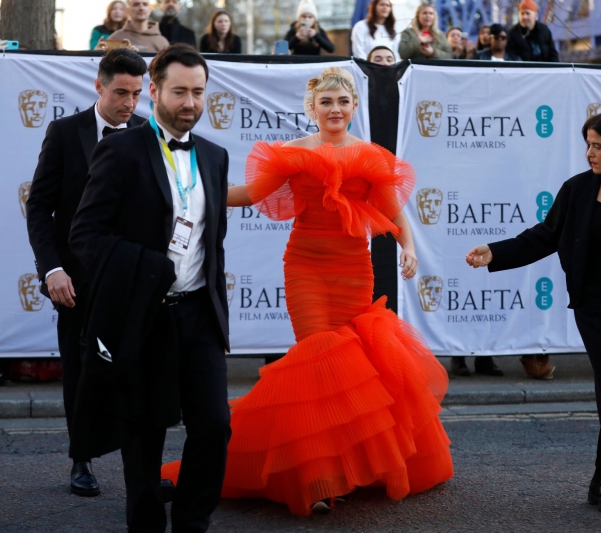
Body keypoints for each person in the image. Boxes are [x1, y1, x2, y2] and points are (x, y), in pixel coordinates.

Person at [161, 66, 453, 516]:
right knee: (318, 364)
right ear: (312, 108)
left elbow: (395, 213)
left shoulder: (372, 156)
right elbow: (250, 194)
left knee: (350, 373)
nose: (335, 109)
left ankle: (349, 467)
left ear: (354, 107)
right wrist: (189, 189)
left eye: (343, 102)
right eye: (326, 102)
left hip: (354, 271)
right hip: (306, 270)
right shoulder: (292, 153)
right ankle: (318, 480)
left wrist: (409, 248)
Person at [466, 110, 601, 520]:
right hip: (595, 306)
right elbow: (545, 236)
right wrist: (495, 252)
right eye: (587, 144)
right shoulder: (578, 190)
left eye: (598, 146)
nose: (590, 153)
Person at [70, 43, 231, 533]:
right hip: (144, 316)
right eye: (179, 92)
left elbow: (212, 243)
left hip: (199, 315)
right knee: (144, 438)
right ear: (154, 92)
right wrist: (147, 270)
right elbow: (85, 235)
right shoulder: (120, 150)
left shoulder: (216, 157)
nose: (190, 103)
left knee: (214, 427)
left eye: (198, 92)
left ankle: (192, 523)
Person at [25, 48, 147, 498]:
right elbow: (39, 207)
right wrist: (52, 269)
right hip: (74, 280)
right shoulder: (64, 132)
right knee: (79, 371)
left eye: (137, 94)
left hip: (131, 276)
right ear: (99, 86)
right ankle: (82, 459)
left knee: (137, 371)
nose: (129, 103)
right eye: (121, 93)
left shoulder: (146, 132)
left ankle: (140, 467)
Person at [100, 0, 169, 52]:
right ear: (128, 10)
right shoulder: (115, 38)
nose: (141, 8)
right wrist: (97, 52)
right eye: (136, 4)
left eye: (145, 4)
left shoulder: (162, 42)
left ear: (150, 10)